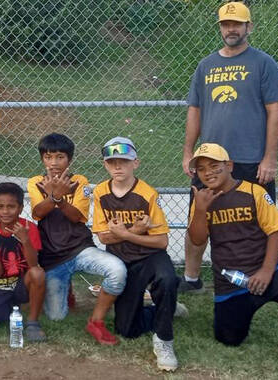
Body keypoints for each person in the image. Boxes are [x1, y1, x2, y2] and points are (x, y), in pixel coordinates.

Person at [180, 1, 278, 293]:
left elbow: (275, 111)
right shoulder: (206, 65)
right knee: (198, 218)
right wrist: (188, 152)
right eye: (226, 25)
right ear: (220, 28)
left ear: (248, 27)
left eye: (237, 24)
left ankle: (262, 277)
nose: (231, 29)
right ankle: (191, 279)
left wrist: (269, 158)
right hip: (209, 162)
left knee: (258, 223)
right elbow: (195, 110)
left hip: (250, 159)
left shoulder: (264, 63)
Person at [187, 143, 278, 370]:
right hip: (231, 281)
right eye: (201, 169)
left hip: (265, 270)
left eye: (214, 165)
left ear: (229, 166)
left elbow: (275, 232)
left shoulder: (253, 192)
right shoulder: (202, 198)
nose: (207, 172)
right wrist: (200, 209)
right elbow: (198, 240)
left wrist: (267, 270)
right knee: (228, 339)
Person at [27, 133, 127, 345]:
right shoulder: (35, 182)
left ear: (69, 160)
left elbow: (76, 216)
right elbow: (38, 212)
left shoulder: (80, 181)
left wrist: (58, 199)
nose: (54, 163)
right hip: (53, 258)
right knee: (56, 317)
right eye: (48, 157)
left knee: (117, 271)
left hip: (80, 248)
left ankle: (96, 321)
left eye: (60, 157)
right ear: (42, 159)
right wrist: (54, 196)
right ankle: (66, 288)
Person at [92, 137, 179, 371]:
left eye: (124, 161)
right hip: (122, 260)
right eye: (112, 162)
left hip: (150, 255)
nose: (118, 167)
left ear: (135, 163)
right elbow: (103, 237)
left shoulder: (147, 193)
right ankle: (165, 307)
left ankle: (164, 340)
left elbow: (161, 241)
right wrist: (135, 230)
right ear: (105, 165)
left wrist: (127, 234)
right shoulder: (101, 192)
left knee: (167, 278)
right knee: (127, 330)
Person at [0, 182, 47, 343]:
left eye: (11, 206)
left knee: (37, 273)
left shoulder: (29, 228)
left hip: (24, 281)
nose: (5, 211)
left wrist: (26, 241)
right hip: (2, 283)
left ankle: (33, 322)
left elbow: (33, 265)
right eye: (0, 207)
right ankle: (9, 307)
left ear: (20, 208)